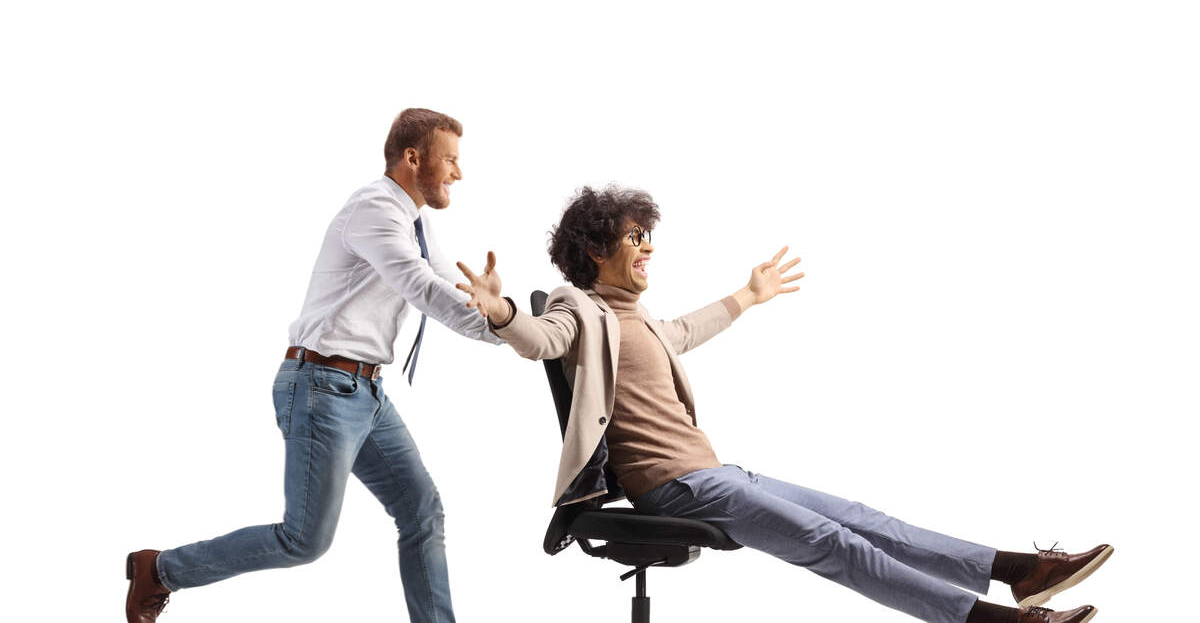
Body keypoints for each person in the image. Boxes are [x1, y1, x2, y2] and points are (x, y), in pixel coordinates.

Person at [453, 185, 1112, 623]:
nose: (649, 246)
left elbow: (682, 331)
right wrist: (501, 311)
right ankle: (993, 621)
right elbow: (542, 339)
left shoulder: (637, 315)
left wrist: (748, 295)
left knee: (862, 519)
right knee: (835, 544)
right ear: (596, 250)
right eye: (635, 237)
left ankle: (1017, 570)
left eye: (649, 235)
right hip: (676, 489)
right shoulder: (577, 306)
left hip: (716, 475)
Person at [126, 108, 503, 623]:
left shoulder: (415, 222)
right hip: (323, 385)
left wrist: (511, 324)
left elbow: (451, 291)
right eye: (451, 160)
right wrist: (509, 327)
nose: (459, 173)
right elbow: (420, 287)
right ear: (413, 158)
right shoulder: (376, 209)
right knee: (303, 540)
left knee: (422, 512)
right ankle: (160, 569)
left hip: (364, 392)